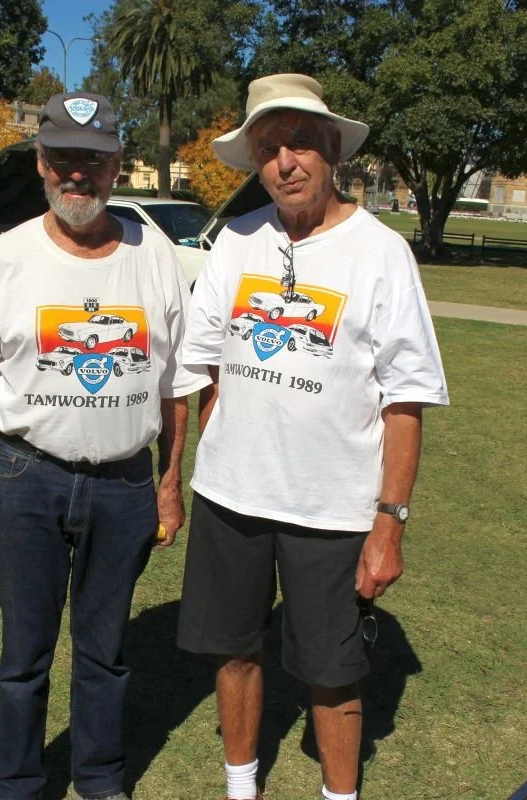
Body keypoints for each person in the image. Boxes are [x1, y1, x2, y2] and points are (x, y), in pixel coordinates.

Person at [176, 74, 449, 800]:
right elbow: (201, 361)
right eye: (269, 148)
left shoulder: (381, 253)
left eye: (300, 143)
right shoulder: (234, 242)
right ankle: (242, 788)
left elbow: (407, 398)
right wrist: (229, 440)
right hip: (231, 501)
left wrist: (389, 524)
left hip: (333, 510)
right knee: (233, 652)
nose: (285, 162)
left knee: (333, 673)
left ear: (331, 151)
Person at [0, 91, 209, 800]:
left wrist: (169, 482)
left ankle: (100, 777)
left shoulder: (158, 260)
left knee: (105, 651)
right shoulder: (1, 259)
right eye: (63, 159)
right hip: (26, 479)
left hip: (124, 484)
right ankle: (18, 784)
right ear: (40, 163)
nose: (77, 174)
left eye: (94, 159)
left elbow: (177, 388)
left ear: (118, 165)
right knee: (24, 654)